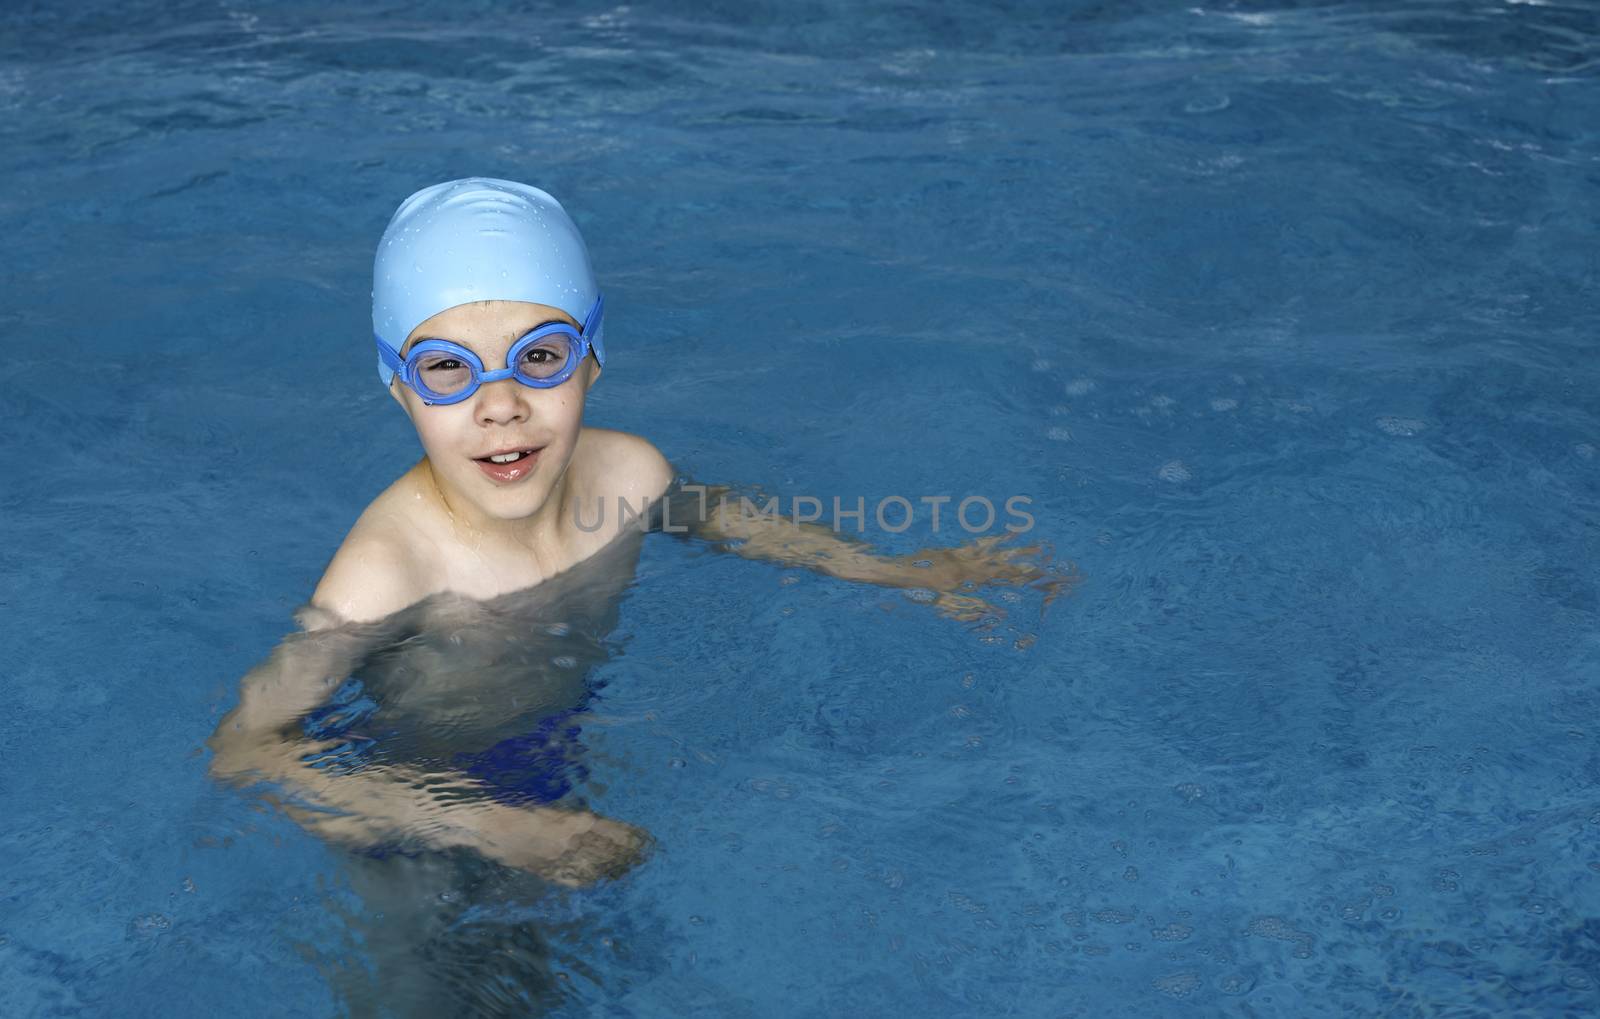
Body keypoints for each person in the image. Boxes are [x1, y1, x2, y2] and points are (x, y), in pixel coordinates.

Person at [206, 177, 1065, 890]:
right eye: (447, 369)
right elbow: (246, 751)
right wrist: (489, 825)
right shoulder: (386, 571)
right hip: (405, 807)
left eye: (538, 356)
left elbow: (724, 519)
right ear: (398, 386)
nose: (499, 403)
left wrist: (901, 571)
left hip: (554, 759)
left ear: (593, 355)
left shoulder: (631, 476)